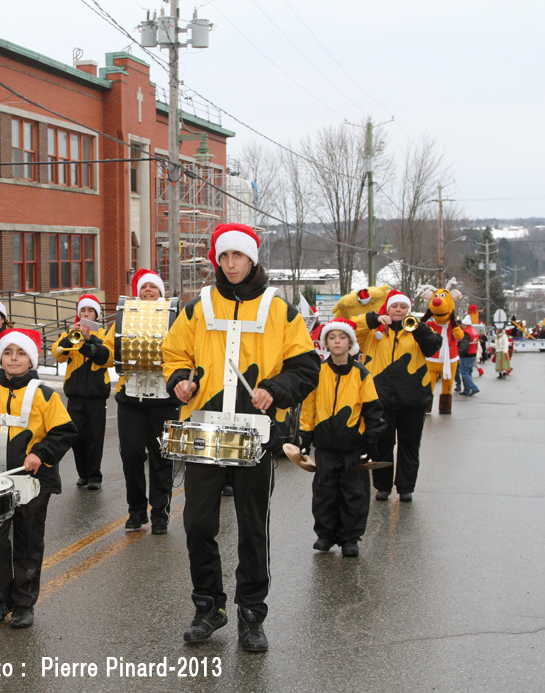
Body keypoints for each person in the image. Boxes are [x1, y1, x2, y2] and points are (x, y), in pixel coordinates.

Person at [162, 223, 319, 652]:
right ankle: (208, 606)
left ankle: (252, 614)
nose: (230, 264)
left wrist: (277, 388)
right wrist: (179, 379)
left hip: (256, 431)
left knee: (252, 526)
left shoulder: (279, 309)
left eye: (238, 256)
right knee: (197, 524)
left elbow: (306, 367)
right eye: (224, 257)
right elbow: (175, 353)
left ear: (252, 258)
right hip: (205, 428)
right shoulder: (198, 307)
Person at [0, 328, 76, 629]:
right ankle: (1, 597)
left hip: (32, 481)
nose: (13, 359)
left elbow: (64, 431)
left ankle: (23, 604)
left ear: (31, 359)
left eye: (21, 353)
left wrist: (41, 453)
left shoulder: (44, 394)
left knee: (28, 541)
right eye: (8, 353)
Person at [299, 318, 385, 557]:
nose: (337, 341)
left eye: (342, 337)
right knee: (325, 492)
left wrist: (370, 442)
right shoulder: (318, 372)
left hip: (353, 447)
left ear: (350, 342)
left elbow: (372, 409)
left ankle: (350, 538)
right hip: (326, 446)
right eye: (332, 337)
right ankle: (325, 535)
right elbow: (309, 407)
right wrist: (305, 437)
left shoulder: (361, 374)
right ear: (326, 342)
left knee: (354, 493)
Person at [103, 269, 180, 534]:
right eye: (144, 287)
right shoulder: (125, 317)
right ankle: (136, 511)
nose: (148, 290)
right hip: (131, 399)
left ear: (161, 292)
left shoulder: (174, 318)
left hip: (164, 400)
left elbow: (184, 351)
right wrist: (93, 347)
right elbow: (109, 349)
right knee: (132, 455)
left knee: (162, 457)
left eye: (153, 287)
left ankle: (160, 513)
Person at [354, 289, 442, 503]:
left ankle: (406, 487)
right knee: (382, 446)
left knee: (409, 446)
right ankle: (382, 487)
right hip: (381, 401)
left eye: (403, 307)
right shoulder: (375, 333)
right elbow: (352, 326)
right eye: (395, 306)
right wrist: (375, 318)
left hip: (412, 401)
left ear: (408, 310)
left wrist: (418, 327)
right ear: (388, 308)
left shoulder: (417, 331)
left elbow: (433, 347)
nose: (399, 311)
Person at [52, 295, 112, 490]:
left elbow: (106, 352)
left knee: (95, 437)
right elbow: (58, 353)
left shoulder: (103, 332)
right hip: (75, 394)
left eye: (90, 311)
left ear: (96, 314)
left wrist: (89, 339)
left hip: (96, 394)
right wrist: (72, 337)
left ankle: (95, 475)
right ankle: (83, 474)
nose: (86, 314)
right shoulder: (69, 332)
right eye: (83, 311)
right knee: (76, 436)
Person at [457, 315, 480, 396]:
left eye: (463, 325)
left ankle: (473, 387)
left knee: (464, 372)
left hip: (466, 355)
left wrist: (459, 354)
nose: (462, 326)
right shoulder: (475, 331)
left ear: (465, 325)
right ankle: (466, 389)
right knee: (468, 372)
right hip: (473, 354)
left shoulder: (466, 333)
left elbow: (464, 346)